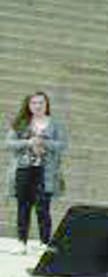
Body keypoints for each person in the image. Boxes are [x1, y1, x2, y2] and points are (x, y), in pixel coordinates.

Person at [7, 91, 66, 251]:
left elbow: (62, 145)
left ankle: (44, 242)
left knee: (43, 208)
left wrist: (44, 143)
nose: (38, 106)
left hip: (45, 171)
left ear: (46, 105)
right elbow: (9, 143)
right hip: (24, 169)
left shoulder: (55, 124)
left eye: (41, 103)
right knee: (23, 207)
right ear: (28, 105)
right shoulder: (21, 122)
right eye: (34, 103)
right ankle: (21, 242)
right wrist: (28, 142)